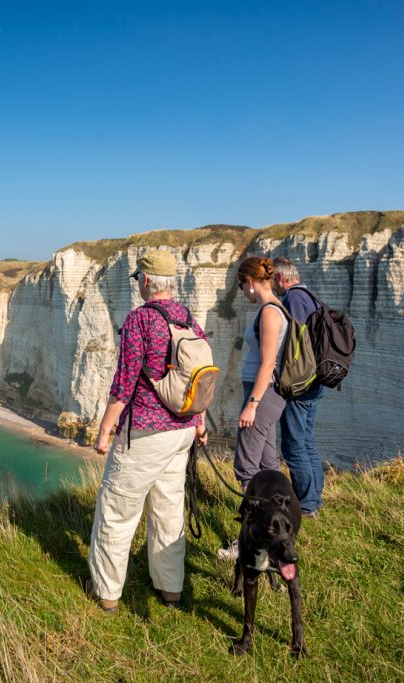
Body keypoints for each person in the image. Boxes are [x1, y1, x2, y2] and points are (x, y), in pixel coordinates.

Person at [86, 250, 209, 613]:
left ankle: (106, 594)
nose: (138, 283)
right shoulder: (189, 319)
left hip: (144, 432)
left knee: (117, 511)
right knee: (169, 510)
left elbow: (124, 382)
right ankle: (170, 590)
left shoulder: (141, 319)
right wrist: (199, 422)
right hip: (182, 431)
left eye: (139, 278)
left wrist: (105, 431)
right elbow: (199, 378)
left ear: (146, 282)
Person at [218, 256, 289, 560]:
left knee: (246, 467)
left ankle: (249, 541)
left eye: (240, 285)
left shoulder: (270, 313)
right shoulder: (274, 309)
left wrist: (253, 404)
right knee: (268, 465)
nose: (242, 293)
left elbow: (268, 363)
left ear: (249, 282)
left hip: (264, 393)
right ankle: (282, 531)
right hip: (267, 393)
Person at [272, 257, 325, 517]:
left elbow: (292, 342)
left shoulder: (293, 299)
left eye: (273, 280)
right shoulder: (311, 295)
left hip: (301, 382)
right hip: (316, 381)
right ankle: (314, 499)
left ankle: (305, 505)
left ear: (280, 278)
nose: (272, 286)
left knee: (293, 445)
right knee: (306, 440)